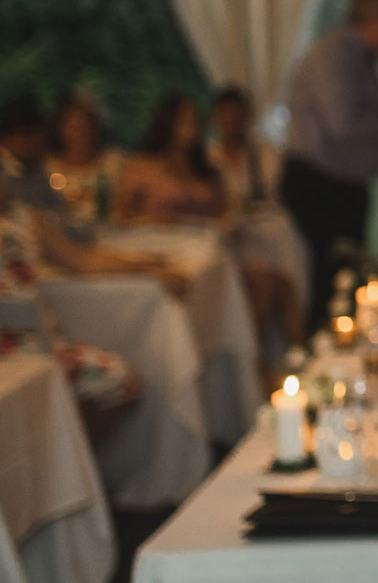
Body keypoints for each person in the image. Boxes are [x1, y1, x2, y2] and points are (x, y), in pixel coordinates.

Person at [0, 169, 187, 443]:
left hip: (40, 340)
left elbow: (82, 260)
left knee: (121, 382)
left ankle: (70, 463)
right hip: (12, 348)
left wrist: (144, 267)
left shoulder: (23, 218)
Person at [281, 0, 378, 326]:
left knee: (343, 278)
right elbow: (344, 126)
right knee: (331, 281)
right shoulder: (335, 55)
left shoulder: (361, 59)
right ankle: (321, 362)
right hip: (320, 186)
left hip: (340, 186)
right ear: (377, 20)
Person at [210, 86, 307, 351]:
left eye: (237, 115)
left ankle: (292, 349)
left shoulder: (264, 153)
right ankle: (260, 359)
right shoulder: (209, 159)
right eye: (225, 115)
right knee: (262, 289)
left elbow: (271, 190)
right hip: (235, 239)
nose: (231, 122)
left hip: (270, 230)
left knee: (287, 282)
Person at [113, 96, 224, 224]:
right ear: (167, 124)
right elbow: (121, 214)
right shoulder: (141, 166)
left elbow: (222, 213)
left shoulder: (206, 169)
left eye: (195, 122)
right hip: (157, 239)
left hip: (202, 240)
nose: (191, 130)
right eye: (183, 122)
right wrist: (151, 220)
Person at [45, 94, 122, 225]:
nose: (81, 134)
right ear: (59, 130)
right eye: (74, 128)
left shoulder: (114, 162)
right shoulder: (46, 166)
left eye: (86, 127)